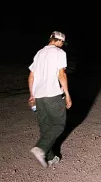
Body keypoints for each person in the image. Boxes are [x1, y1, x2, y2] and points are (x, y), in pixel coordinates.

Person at [28, 31, 72, 168]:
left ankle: (50, 157)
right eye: (62, 43)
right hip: (52, 94)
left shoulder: (39, 53)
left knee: (45, 126)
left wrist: (32, 95)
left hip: (39, 96)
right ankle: (40, 148)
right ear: (58, 41)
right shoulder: (60, 53)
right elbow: (61, 75)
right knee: (58, 125)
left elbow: (31, 76)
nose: (62, 46)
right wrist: (68, 94)